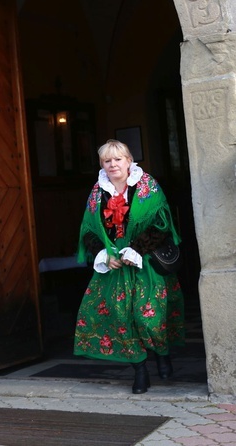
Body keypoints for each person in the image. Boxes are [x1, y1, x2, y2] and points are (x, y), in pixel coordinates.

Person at [73, 140, 185, 394]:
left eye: (117, 159)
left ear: (128, 160)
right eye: (106, 161)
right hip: (114, 268)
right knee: (122, 318)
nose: (112, 165)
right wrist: (103, 253)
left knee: (149, 319)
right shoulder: (98, 191)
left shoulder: (147, 186)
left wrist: (136, 249)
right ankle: (140, 370)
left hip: (144, 263)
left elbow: (161, 224)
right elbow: (89, 229)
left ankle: (162, 353)